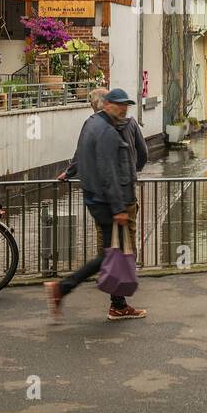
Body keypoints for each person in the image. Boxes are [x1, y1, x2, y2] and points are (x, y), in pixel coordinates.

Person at [46, 89, 147, 320]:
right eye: (120, 106)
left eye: (127, 107)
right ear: (108, 105)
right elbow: (109, 173)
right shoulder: (108, 133)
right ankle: (63, 288)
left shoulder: (90, 124)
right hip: (109, 201)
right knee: (113, 254)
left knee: (112, 252)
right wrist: (119, 207)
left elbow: (82, 155)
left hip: (94, 198)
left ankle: (117, 303)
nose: (124, 110)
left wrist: (69, 172)